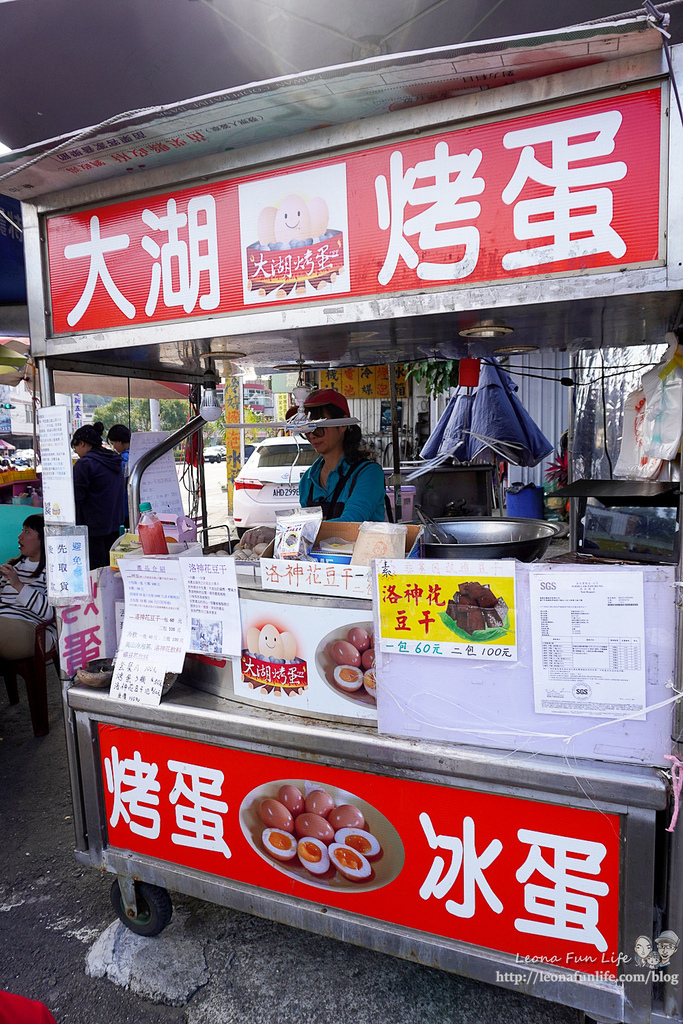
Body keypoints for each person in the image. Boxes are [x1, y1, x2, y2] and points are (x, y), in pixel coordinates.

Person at [298, 389, 386, 522]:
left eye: (318, 427)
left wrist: (305, 528)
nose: (312, 435)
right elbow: (306, 530)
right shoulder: (307, 480)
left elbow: (351, 522)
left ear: (343, 424)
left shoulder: (369, 473)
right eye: (307, 429)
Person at [72, 421, 126, 569]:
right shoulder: (114, 460)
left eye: (75, 447)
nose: (76, 452)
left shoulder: (84, 464)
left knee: (95, 572)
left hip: (92, 528)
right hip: (114, 525)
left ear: (82, 443)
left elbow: (77, 497)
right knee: (110, 568)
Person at [0, 514, 56, 660]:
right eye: (22, 530)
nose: (19, 536)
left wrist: (18, 585)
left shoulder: (53, 571)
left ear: (43, 539)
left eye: (27, 531)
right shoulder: (14, 567)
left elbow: (51, 613)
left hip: (33, 630)